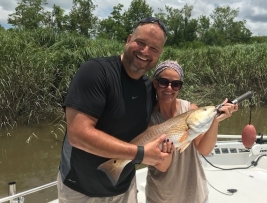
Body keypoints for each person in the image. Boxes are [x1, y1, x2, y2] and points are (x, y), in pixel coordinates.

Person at [57, 17, 172, 203]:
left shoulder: (149, 88)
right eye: (140, 42)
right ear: (128, 40)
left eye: (154, 48)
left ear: (159, 54)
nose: (145, 52)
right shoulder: (95, 72)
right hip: (81, 190)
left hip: (124, 188)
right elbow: (78, 134)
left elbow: (164, 115)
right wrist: (141, 154)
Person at [145, 60, 238, 203]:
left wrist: (215, 121)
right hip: (160, 196)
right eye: (164, 82)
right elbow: (162, 167)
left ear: (180, 87)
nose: (169, 88)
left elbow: (204, 150)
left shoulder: (190, 109)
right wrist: (167, 151)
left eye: (176, 84)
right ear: (155, 83)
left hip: (193, 194)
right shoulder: (148, 118)